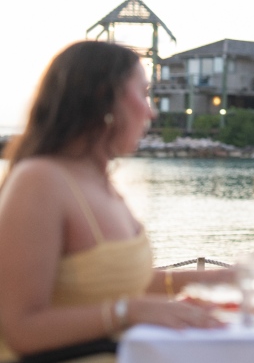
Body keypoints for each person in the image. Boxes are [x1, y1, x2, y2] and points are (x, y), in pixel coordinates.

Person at [0, 41, 234, 362]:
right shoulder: (39, 181)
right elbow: (19, 328)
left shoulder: (99, 179)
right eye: (143, 93)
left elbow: (114, 279)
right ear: (103, 99)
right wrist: (129, 312)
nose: (151, 111)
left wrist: (220, 278)